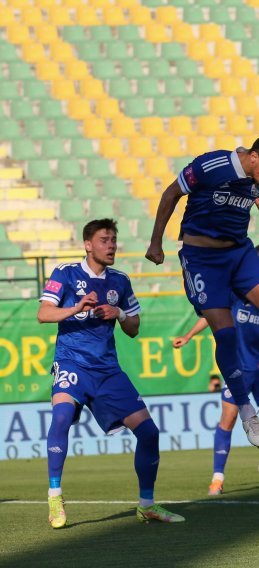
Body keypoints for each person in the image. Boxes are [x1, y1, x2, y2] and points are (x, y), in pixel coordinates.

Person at [146, 130, 259, 448]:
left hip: (239, 253)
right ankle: (246, 410)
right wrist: (155, 241)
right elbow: (171, 194)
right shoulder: (211, 165)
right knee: (226, 334)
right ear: (253, 156)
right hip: (202, 258)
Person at [39, 219, 184, 528]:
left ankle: (147, 505)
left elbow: (133, 329)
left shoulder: (120, 280)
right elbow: (44, 314)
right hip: (72, 363)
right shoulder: (65, 273)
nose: (111, 245)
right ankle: (55, 495)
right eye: (104, 240)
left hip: (107, 370)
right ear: (88, 244)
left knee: (149, 432)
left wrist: (118, 314)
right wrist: (76, 307)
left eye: (114, 240)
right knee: (61, 417)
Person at [173, 245, 259, 493]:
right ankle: (217, 477)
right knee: (227, 419)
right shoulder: (234, 291)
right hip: (238, 368)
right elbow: (212, 315)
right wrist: (189, 335)